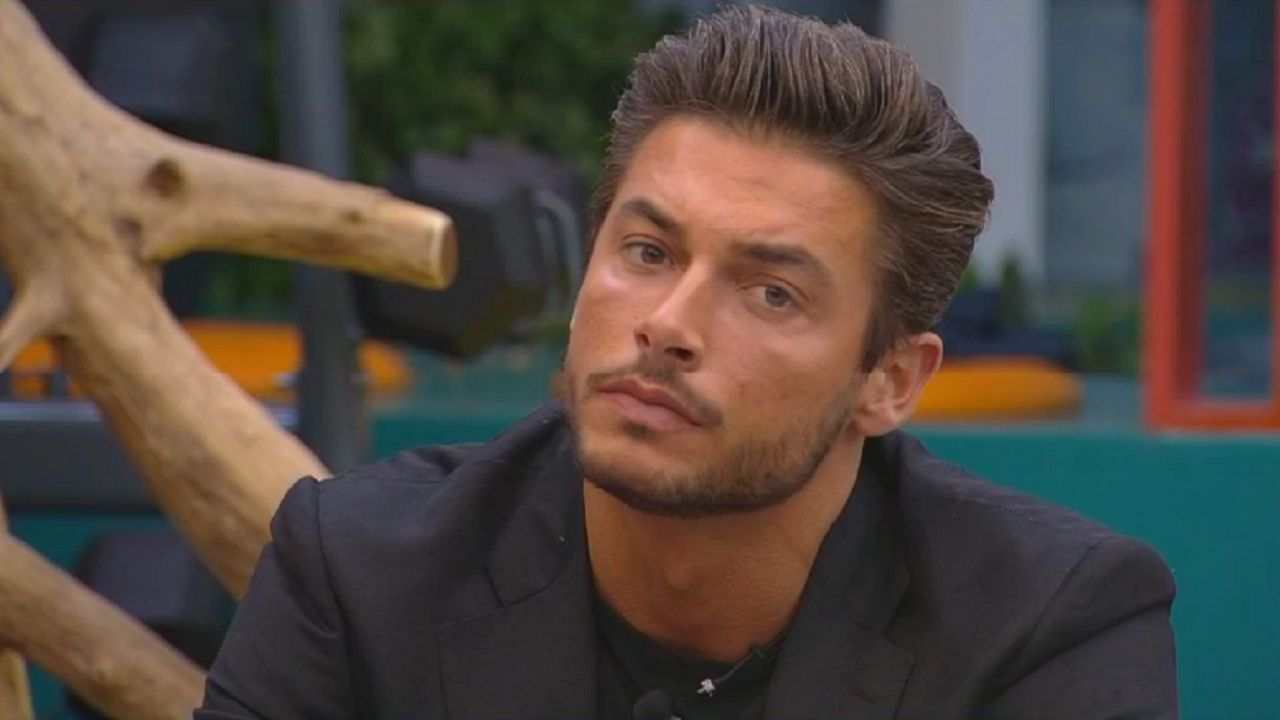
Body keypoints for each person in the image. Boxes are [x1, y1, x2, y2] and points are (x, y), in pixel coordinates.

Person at [196, 6, 1177, 719]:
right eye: (647, 252)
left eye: (771, 293)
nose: (667, 324)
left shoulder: (1043, 628)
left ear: (887, 382)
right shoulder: (360, 576)